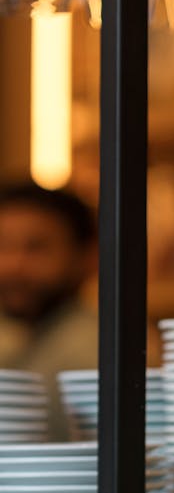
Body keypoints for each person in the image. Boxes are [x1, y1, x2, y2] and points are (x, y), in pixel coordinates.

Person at [0, 183, 98, 440]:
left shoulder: (99, 350)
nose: (13, 265)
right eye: (3, 245)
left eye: (36, 248)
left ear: (88, 257)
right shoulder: (11, 336)